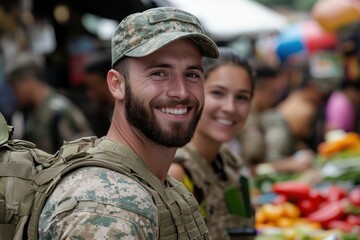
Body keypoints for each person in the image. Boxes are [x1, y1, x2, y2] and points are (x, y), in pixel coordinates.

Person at [38, 7, 219, 239]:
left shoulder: (158, 184)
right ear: (117, 84)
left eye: (192, 74)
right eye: (159, 73)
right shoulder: (108, 207)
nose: (180, 92)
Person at [168, 47, 256, 239]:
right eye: (217, 93)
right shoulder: (177, 173)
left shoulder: (227, 163)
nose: (230, 108)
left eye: (242, 97)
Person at [5, 52, 94, 153]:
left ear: (28, 81)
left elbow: (82, 154)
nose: (14, 93)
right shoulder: (32, 112)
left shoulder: (59, 111)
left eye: (15, 87)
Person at [83, 53, 114, 137]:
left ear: (111, 82)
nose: (89, 94)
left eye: (93, 87)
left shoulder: (132, 113)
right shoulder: (100, 116)